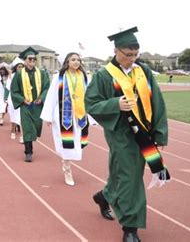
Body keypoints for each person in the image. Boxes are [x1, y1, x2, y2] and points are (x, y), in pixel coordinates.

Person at [84, 27, 170, 242]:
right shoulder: (104, 75)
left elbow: (157, 101)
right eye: (127, 55)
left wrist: (159, 133)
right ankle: (130, 228)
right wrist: (115, 104)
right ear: (116, 51)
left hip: (145, 131)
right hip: (120, 133)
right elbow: (91, 104)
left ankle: (104, 196)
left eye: (135, 55)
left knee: (126, 174)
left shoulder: (143, 71)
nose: (131, 60)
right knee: (131, 177)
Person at [41, 52, 94, 186]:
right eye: (73, 59)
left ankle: (68, 164)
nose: (76, 62)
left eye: (78, 60)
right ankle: (67, 170)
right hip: (63, 115)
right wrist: (47, 116)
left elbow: (90, 96)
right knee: (66, 143)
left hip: (80, 114)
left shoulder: (85, 77)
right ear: (67, 62)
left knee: (77, 142)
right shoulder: (59, 77)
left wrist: (92, 116)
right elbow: (51, 96)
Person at [10, 47, 50, 162]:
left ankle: (31, 143)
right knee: (27, 128)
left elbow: (47, 88)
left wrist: (41, 98)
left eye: (34, 59)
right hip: (26, 105)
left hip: (37, 105)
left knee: (36, 127)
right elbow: (14, 91)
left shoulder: (42, 74)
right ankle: (28, 152)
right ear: (25, 60)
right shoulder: (18, 75)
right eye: (30, 58)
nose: (32, 60)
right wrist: (22, 99)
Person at [7, 57, 24, 142]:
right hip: (13, 99)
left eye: (21, 67)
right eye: (18, 67)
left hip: (22, 99)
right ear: (15, 68)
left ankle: (22, 136)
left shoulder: (25, 76)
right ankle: (13, 131)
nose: (20, 68)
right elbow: (8, 88)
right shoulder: (12, 76)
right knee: (13, 116)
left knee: (22, 117)